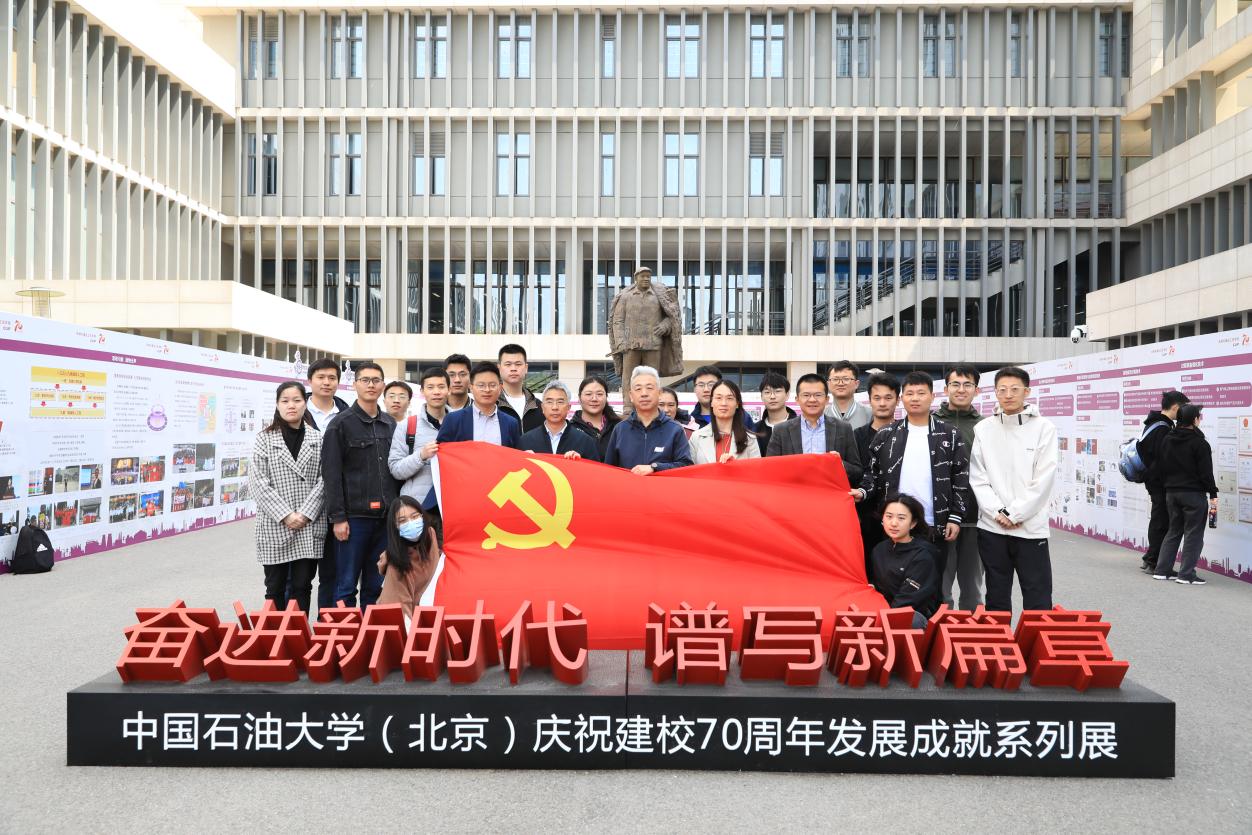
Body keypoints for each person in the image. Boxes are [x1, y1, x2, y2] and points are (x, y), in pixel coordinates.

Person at [969, 367, 1058, 613]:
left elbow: (1044, 478)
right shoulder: (983, 429)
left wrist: (1015, 513)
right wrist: (998, 511)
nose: (1008, 395)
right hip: (992, 527)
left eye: (1014, 389)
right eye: (1002, 390)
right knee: (996, 597)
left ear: (1026, 392)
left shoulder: (1044, 428)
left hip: (1031, 528)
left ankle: (1036, 640)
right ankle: (999, 640)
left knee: (1038, 596)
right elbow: (978, 477)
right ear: (995, 392)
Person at [856, 371, 969, 565]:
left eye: (921, 393)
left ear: (932, 396)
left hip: (935, 524)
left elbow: (961, 478)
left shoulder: (950, 434)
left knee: (931, 579)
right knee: (891, 578)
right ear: (902, 399)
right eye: (909, 393)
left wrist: (955, 516)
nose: (915, 398)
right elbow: (872, 475)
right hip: (894, 525)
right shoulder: (886, 434)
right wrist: (862, 492)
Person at [321, 361, 400, 608]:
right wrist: (338, 518)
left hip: (385, 519)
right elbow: (331, 474)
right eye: (365, 380)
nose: (371, 385)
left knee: (375, 586)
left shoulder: (390, 424)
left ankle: (369, 632)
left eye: (376, 380)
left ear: (383, 385)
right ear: (355, 384)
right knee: (345, 585)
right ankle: (343, 632)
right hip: (354, 520)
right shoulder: (340, 424)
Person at [249, 382, 326, 614]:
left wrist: (304, 514)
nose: (291, 405)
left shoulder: (318, 439)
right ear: (277, 404)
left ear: (305, 403)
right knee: (274, 587)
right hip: (275, 524)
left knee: (302, 587)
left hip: (308, 523)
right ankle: (274, 632)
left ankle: (298, 632)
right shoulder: (264, 438)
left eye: (297, 400)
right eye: (285, 401)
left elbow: (324, 480)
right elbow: (258, 482)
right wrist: (286, 515)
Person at [934, 364, 987, 608]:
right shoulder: (931, 423)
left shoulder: (985, 426)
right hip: (939, 519)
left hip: (975, 518)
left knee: (973, 591)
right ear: (946, 389)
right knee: (939, 589)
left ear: (976, 390)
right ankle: (940, 631)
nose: (961, 389)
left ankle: (971, 631)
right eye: (955, 384)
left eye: (968, 385)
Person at [1152, 403, 1217, 585]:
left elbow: (1161, 467)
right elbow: (1206, 473)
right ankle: (1186, 574)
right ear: (1195, 419)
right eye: (1199, 416)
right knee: (1193, 534)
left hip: (1171, 493)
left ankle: (1162, 570)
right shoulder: (1200, 443)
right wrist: (1213, 493)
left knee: (1173, 531)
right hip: (1193, 495)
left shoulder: (1167, 439)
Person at [765, 373, 863, 485]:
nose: (812, 400)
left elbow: (858, 472)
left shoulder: (843, 428)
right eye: (806, 395)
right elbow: (769, 469)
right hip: (794, 492)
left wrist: (840, 464)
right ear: (797, 399)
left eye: (818, 395)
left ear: (827, 399)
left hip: (830, 492)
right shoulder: (781, 431)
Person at [389, 367, 449, 540]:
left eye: (441, 386)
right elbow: (395, 469)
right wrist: (421, 455)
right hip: (417, 510)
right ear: (422, 391)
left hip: (452, 507)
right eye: (430, 387)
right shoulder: (408, 426)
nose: (436, 392)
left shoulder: (460, 422)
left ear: (449, 389)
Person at [608, 265, 685, 399]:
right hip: (630, 346)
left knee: (652, 378)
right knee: (629, 377)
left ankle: (652, 403)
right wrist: (620, 342)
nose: (646, 279)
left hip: (653, 344)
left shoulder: (659, 296)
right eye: (643, 276)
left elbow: (672, 316)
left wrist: (665, 326)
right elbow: (617, 321)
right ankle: (628, 405)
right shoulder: (625, 297)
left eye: (648, 276)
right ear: (636, 278)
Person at [869, 493, 942, 628]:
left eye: (901, 518)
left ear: (913, 523)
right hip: (884, 611)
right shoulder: (879, 550)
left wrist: (882, 618)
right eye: (889, 516)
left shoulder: (924, 555)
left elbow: (910, 599)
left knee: (909, 619)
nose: (894, 523)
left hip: (915, 615)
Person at [604, 365, 693, 473]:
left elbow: (686, 466)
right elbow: (609, 470)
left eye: (649, 388)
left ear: (659, 393)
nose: (644, 393)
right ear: (631, 396)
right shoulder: (620, 429)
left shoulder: (675, 429)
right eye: (638, 389)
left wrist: (655, 467)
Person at [853, 372, 900, 575]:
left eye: (888, 398)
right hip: (865, 517)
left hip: (899, 516)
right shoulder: (857, 435)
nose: (882, 403)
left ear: (897, 400)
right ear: (869, 400)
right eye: (877, 398)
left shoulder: (905, 433)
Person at [1140, 390, 1191, 574]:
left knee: (1158, 518)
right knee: (1162, 521)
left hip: (1154, 480)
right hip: (1159, 481)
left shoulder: (1154, 423)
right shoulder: (1163, 428)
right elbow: (1164, 458)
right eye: (1184, 408)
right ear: (1175, 407)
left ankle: (1151, 558)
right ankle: (1154, 561)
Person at [376, 497, 440, 622]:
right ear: (395, 526)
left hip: (428, 611)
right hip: (403, 621)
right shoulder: (396, 565)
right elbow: (400, 614)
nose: (411, 523)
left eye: (415, 517)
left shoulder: (430, 535)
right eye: (403, 521)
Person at [436, 361, 522, 447]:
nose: (487, 390)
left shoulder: (511, 423)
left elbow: (516, 452)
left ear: (500, 388)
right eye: (481, 385)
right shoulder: (453, 420)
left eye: (492, 385)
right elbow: (442, 450)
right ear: (471, 388)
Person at [520, 381, 602, 461]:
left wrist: (580, 462)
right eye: (549, 402)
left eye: (560, 402)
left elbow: (595, 469)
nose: (555, 407)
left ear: (568, 407)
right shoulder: (526, 440)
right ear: (542, 407)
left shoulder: (585, 441)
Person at [691, 380, 762, 465]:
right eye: (718, 398)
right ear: (711, 402)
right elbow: (689, 470)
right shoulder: (696, 437)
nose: (723, 403)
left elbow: (756, 470)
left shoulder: (750, 439)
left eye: (729, 398)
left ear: (737, 404)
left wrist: (735, 466)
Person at [569, 375, 622, 460]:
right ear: (579, 398)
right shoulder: (570, 429)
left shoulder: (619, 427)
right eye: (588, 394)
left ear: (606, 397)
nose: (594, 399)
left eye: (599, 394)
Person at [688, 365, 757, 430]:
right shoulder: (690, 422)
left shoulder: (742, 418)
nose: (706, 389)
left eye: (711, 384)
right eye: (701, 385)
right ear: (694, 389)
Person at [496, 344, 544, 433]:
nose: (513, 369)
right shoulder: (492, 404)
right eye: (508, 364)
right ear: (499, 368)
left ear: (526, 368)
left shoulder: (539, 406)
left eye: (518, 364)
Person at [756, 371, 797, 455]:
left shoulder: (799, 426)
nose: (772, 396)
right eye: (767, 392)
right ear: (761, 396)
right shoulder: (755, 430)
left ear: (787, 395)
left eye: (777, 391)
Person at [305, 358, 350, 431]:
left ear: (338, 382)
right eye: (321, 377)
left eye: (332, 378)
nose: (327, 382)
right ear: (310, 381)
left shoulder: (348, 415)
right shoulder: (297, 411)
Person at [825, 360, 871, 429]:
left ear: (856, 384)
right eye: (835, 379)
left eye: (846, 379)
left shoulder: (870, 414)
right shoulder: (821, 415)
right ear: (828, 384)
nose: (840, 383)